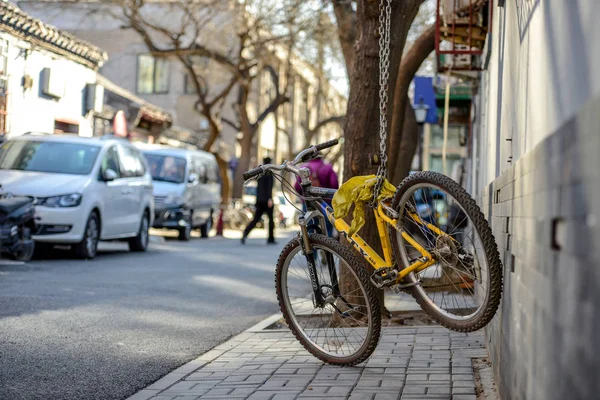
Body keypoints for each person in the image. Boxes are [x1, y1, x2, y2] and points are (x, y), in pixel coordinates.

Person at [294, 154, 339, 236]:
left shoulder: (303, 168)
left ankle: (312, 248)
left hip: (308, 202)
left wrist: (303, 197)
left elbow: (297, 187)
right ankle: (328, 247)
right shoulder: (328, 167)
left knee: (310, 227)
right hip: (325, 203)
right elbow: (334, 184)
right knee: (328, 227)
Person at [241, 157, 276, 245]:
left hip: (260, 200)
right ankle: (270, 239)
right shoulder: (269, 173)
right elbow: (269, 188)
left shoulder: (260, 173)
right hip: (266, 200)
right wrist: (270, 199)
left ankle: (245, 233)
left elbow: (259, 188)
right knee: (271, 220)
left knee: (256, 219)